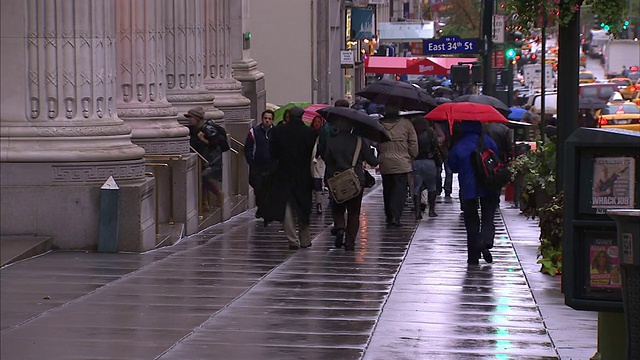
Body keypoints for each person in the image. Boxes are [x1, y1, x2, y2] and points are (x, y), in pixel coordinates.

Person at [265, 106, 317, 250]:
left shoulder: (278, 131)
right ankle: (305, 238)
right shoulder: (310, 133)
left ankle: (292, 239)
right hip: (303, 174)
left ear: (288, 116)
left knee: (287, 206)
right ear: (302, 116)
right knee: (303, 206)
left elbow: (273, 153)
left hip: (284, 173)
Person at [449, 121, 500, 265]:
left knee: (471, 221)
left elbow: (452, 166)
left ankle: (473, 256)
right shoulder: (488, 141)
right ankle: (485, 241)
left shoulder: (460, 144)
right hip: (489, 185)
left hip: (468, 187)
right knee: (488, 217)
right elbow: (497, 158)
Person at [324, 118, 378, 251]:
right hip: (355, 180)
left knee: (337, 207)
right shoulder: (359, 141)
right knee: (354, 212)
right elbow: (372, 161)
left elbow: (327, 160)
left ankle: (340, 227)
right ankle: (349, 243)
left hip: (336, 179)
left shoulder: (332, 141)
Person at [378, 105, 418, 227]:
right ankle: (396, 216)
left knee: (388, 189)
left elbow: (374, 141)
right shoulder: (406, 124)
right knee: (399, 190)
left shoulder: (379, 124)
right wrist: (412, 154)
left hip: (385, 161)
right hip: (402, 162)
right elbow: (413, 142)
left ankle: (389, 215)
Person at [186, 106, 225, 210]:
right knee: (202, 179)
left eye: (191, 117)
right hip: (201, 157)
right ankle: (204, 203)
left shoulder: (208, 129)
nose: (189, 119)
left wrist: (203, 139)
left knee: (205, 178)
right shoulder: (191, 129)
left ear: (198, 118)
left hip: (211, 159)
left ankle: (218, 194)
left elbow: (214, 144)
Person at [244, 110, 276, 224]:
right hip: (257, 165)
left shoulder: (276, 132)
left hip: (271, 165)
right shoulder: (254, 132)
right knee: (258, 188)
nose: (267, 120)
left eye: (269, 118)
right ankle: (261, 207)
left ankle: (265, 210)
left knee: (268, 189)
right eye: (265, 118)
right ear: (262, 119)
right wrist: (251, 161)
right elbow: (248, 148)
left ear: (272, 120)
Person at [411, 118, 440, 219]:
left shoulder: (412, 134)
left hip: (416, 161)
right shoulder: (431, 133)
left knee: (416, 188)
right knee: (432, 186)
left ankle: (417, 211)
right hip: (429, 161)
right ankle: (431, 210)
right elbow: (436, 146)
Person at [310, 115, 326, 215]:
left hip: (319, 161)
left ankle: (318, 203)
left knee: (317, 181)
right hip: (310, 160)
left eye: (319, 122)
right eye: (315, 121)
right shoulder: (309, 134)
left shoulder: (323, 135)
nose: (316, 124)